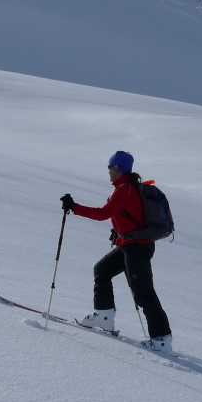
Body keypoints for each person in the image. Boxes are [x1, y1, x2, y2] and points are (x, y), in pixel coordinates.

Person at [60, 150, 173, 354]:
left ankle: (161, 338)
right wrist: (119, 233)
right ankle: (105, 317)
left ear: (118, 169)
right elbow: (129, 216)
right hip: (130, 245)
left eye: (110, 167)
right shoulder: (129, 188)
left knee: (143, 293)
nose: (108, 171)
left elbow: (104, 213)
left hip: (137, 249)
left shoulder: (125, 190)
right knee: (102, 270)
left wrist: (74, 207)